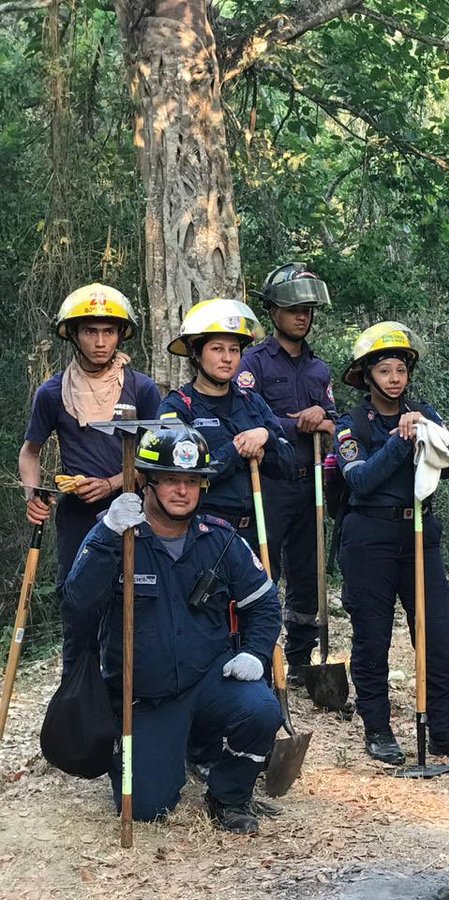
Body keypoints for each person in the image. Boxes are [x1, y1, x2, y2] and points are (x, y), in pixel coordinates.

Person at [62, 425, 283, 834]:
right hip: (144, 695)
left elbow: (265, 604)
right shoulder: (116, 534)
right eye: (170, 480)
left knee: (261, 709)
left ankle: (228, 793)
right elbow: (78, 602)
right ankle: (146, 752)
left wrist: (254, 652)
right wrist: (109, 534)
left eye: (192, 481)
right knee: (147, 808)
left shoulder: (220, 538)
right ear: (147, 481)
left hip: (209, 678)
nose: (182, 491)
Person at [334, 322, 449, 765]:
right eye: (384, 370)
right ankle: (378, 731)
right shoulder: (351, 424)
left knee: (436, 632)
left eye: (401, 369)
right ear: (367, 376)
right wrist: (400, 443)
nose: (394, 378)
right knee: (372, 638)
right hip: (368, 538)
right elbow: (359, 478)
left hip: (420, 533)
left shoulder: (425, 413)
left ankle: (444, 731)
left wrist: (425, 433)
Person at [19, 283, 161, 666]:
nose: (100, 341)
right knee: (78, 608)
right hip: (78, 517)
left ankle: (133, 705)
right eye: (90, 331)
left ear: (121, 335)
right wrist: (33, 496)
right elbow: (30, 452)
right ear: (74, 335)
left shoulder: (142, 389)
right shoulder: (52, 393)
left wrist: (114, 483)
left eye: (109, 331)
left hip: (135, 512)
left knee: (138, 603)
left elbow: (157, 459)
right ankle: (79, 700)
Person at [237, 264, 336, 684]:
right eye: (294, 308)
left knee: (308, 574)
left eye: (308, 310)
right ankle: (259, 656)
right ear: (273, 311)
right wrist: (297, 423)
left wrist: (325, 419)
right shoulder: (252, 363)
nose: (302, 317)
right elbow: (242, 416)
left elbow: (333, 421)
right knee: (262, 571)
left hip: (310, 482)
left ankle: (299, 659)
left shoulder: (320, 370)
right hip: (268, 484)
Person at [158, 298, 294, 546]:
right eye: (217, 349)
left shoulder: (253, 402)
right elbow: (182, 474)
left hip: (256, 531)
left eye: (234, 350)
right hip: (201, 533)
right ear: (195, 353)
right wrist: (236, 449)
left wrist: (266, 437)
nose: (227, 358)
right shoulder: (178, 407)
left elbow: (288, 464)